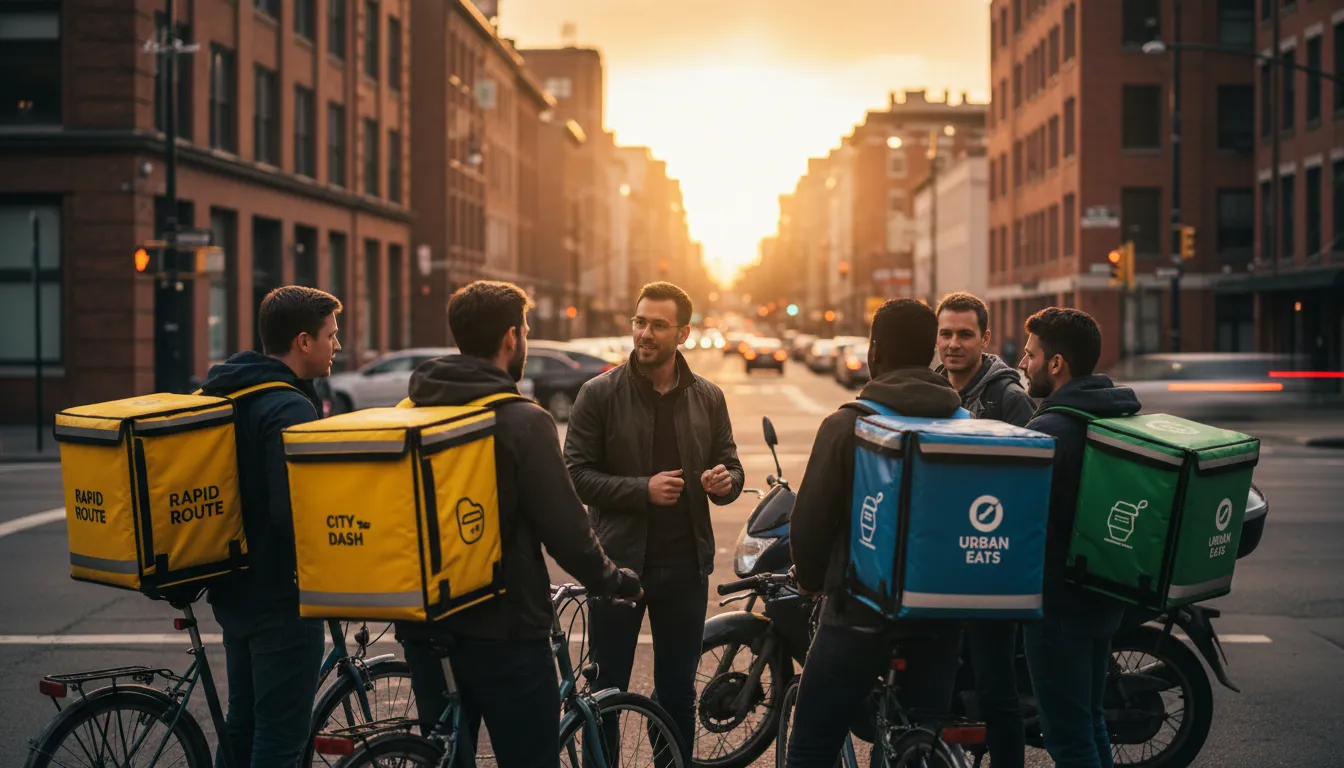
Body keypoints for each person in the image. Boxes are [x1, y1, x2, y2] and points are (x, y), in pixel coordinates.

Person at [395, 280, 642, 768]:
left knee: (444, 755)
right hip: (504, 630)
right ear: (512, 337)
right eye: (526, 329)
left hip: (424, 625)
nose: (525, 339)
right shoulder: (523, 422)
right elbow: (567, 532)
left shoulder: (412, 411)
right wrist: (612, 579)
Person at [564, 281, 744, 756]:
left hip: (685, 569)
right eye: (639, 322)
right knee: (606, 697)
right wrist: (642, 490)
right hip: (618, 568)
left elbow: (732, 464)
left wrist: (727, 482)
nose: (644, 333)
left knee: (677, 695)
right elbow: (575, 475)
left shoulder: (708, 397)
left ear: (682, 333)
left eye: (658, 325)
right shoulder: (599, 394)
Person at [785, 298, 967, 768]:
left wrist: (808, 580)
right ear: (931, 353)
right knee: (924, 740)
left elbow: (810, 524)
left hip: (858, 613)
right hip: (941, 614)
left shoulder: (847, 424)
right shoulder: (962, 423)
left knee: (812, 739)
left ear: (873, 352)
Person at [201, 285, 342, 767]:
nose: (336, 346)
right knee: (280, 740)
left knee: (242, 727)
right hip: (279, 597)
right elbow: (292, 514)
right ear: (303, 342)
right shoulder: (288, 407)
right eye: (330, 335)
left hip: (232, 586)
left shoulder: (229, 388)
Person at [1019, 307, 1139, 768]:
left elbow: (1023, 522)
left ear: (1056, 363)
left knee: (1068, 738)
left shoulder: (1050, 431)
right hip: (1103, 596)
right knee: (1089, 723)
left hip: (1057, 605)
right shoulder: (1114, 417)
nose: (1024, 365)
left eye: (1031, 355)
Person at [933, 291, 1033, 768]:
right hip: (940, 565)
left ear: (985, 338)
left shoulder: (1008, 398)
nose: (953, 344)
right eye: (946, 334)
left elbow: (1029, 485)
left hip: (991, 564)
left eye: (964, 334)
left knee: (998, 689)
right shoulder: (931, 388)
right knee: (939, 686)